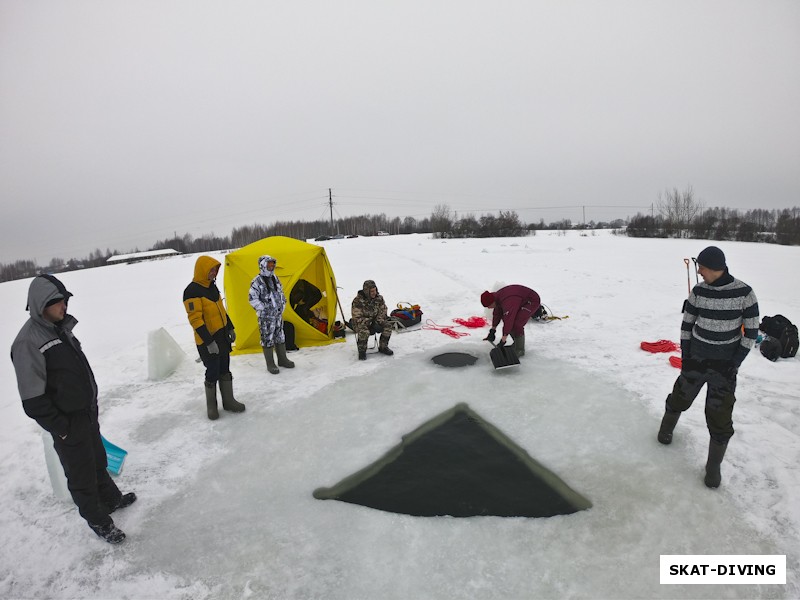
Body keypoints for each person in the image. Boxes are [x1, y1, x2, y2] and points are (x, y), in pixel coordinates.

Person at [10, 275, 136, 544]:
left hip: (86, 414)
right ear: (42, 304)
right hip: (67, 421)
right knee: (80, 474)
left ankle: (111, 500)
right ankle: (98, 521)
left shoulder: (59, 328)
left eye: (66, 300)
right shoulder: (28, 342)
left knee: (97, 461)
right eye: (59, 301)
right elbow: (32, 399)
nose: (65, 306)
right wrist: (61, 428)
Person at [657, 246, 759, 489]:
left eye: (701, 267)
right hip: (697, 359)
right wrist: (687, 355)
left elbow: (752, 331)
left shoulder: (745, 292)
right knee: (679, 398)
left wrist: (735, 362)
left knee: (720, 416)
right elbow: (687, 325)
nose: (698, 271)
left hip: (724, 366)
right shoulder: (699, 291)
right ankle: (665, 430)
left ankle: (713, 466)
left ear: (713, 267)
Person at [183, 256, 245, 420]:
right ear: (202, 270)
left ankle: (229, 401)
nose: (214, 272)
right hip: (207, 340)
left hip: (222, 336)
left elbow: (221, 310)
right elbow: (195, 320)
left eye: (216, 269)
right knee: (212, 370)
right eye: (211, 269)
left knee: (225, 367)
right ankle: (212, 406)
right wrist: (209, 342)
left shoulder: (212, 287)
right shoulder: (191, 291)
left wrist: (230, 326)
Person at [248, 255, 295, 374]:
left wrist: (282, 304)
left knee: (280, 335)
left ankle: (282, 359)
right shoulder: (256, 281)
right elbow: (252, 299)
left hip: (278, 314)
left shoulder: (275, 278)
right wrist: (263, 309)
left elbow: (281, 292)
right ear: (263, 265)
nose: (272, 266)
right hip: (266, 317)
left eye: (273, 264)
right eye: (269, 264)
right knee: (267, 338)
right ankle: (270, 363)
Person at [481, 285, 541, 357]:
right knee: (509, 321)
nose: (489, 308)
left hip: (531, 301)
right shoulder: (497, 298)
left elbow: (509, 319)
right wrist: (492, 330)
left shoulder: (508, 301)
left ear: (492, 301)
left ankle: (520, 349)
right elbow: (497, 314)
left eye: (489, 305)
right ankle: (516, 343)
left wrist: (503, 341)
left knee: (517, 324)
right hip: (519, 299)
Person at [351, 279, 393, 360]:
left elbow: (383, 310)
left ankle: (383, 347)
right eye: (372, 291)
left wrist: (378, 320)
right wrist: (370, 322)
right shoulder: (357, 301)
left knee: (388, 325)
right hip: (362, 323)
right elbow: (357, 317)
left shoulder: (379, 298)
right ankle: (362, 351)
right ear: (367, 291)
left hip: (376, 321)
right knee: (364, 331)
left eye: (375, 290)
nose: (374, 293)